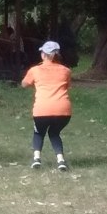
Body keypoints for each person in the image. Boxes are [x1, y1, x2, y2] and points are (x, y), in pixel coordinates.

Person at [21, 41, 72, 171]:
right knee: (54, 133)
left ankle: (36, 158)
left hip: (42, 109)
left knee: (38, 133)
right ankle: (61, 160)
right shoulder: (66, 71)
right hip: (63, 111)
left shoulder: (35, 70)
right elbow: (67, 86)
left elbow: (24, 84)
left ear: (43, 55)